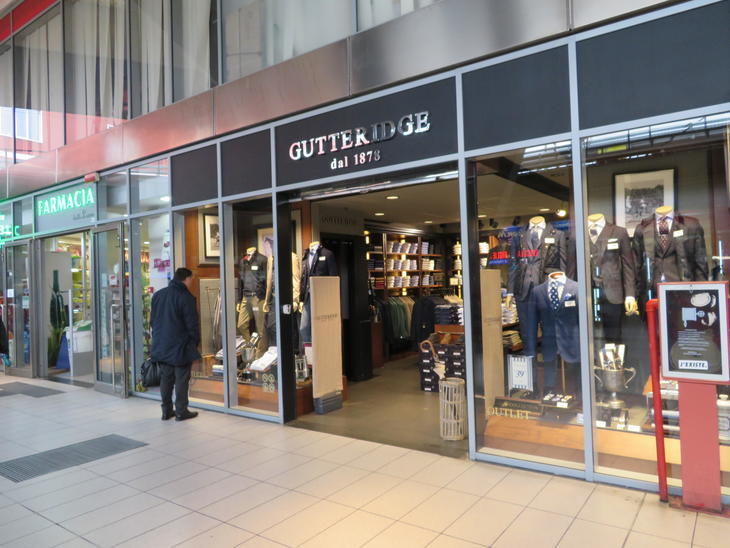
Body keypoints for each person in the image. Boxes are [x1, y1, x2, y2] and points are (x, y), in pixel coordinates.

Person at [150, 267, 201, 421]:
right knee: (181, 379)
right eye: (191, 280)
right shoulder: (185, 297)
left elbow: (152, 321)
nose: (191, 283)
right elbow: (192, 324)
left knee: (166, 378)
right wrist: (194, 343)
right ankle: (181, 411)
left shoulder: (158, 295)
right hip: (180, 345)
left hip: (161, 343)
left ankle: (166, 411)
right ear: (187, 279)